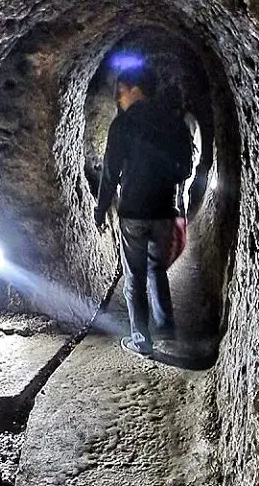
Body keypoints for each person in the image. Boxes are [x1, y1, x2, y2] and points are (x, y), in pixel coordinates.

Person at [93, 66, 193, 357]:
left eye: (120, 92)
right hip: (163, 207)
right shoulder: (174, 123)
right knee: (156, 269)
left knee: (134, 276)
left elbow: (110, 174)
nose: (118, 100)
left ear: (135, 89)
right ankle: (167, 330)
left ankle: (142, 340)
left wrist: (101, 210)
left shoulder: (122, 125)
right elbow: (185, 169)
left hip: (133, 210)